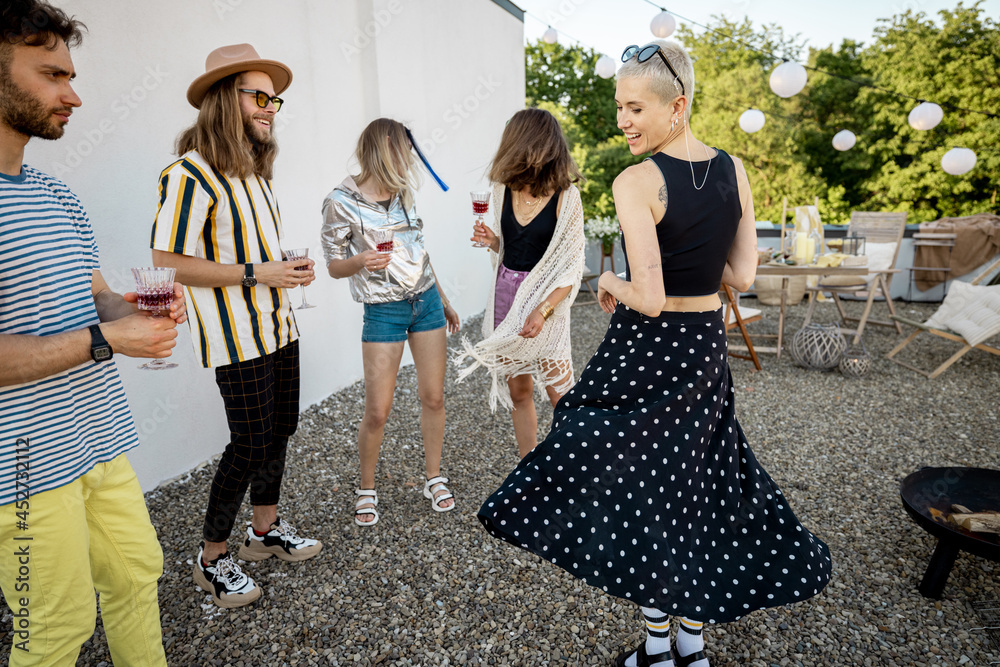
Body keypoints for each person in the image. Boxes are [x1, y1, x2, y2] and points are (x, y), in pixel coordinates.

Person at [478, 40, 832, 667]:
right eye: (620, 106)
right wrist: (699, 256)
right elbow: (743, 274)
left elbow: (647, 296)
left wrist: (608, 283)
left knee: (636, 490)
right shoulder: (734, 169)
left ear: (679, 106)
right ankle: (689, 648)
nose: (623, 121)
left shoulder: (636, 181)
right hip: (703, 351)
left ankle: (660, 649)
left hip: (648, 352)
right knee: (695, 488)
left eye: (635, 107)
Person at [0, 1, 184, 663]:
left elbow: (96, 295)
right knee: (54, 626)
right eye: (52, 75)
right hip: (19, 466)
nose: (72, 95)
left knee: (138, 574)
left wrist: (133, 309)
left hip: (97, 436)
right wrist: (109, 340)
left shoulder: (56, 194)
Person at [151, 43, 322, 609]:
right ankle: (211, 558)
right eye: (260, 95)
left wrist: (285, 273)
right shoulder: (189, 173)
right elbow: (168, 261)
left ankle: (264, 532)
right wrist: (259, 272)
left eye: (276, 98)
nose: (271, 106)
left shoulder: (254, 173)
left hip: (279, 326)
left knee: (280, 430)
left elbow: (257, 258)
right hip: (236, 336)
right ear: (227, 98)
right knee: (249, 443)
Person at [321, 118, 460, 527]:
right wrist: (361, 260)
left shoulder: (402, 194)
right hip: (383, 310)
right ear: (384, 146)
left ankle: (433, 477)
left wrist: (445, 300)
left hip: (427, 303)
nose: (409, 159)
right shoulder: (339, 200)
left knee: (433, 397)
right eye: (404, 150)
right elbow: (332, 265)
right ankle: (367, 487)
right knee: (378, 410)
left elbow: (421, 250)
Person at [455, 107, 585, 458]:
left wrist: (543, 311)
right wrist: (492, 241)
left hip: (548, 302)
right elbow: (509, 249)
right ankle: (530, 466)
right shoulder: (501, 189)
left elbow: (571, 268)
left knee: (561, 394)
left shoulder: (567, 197)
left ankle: (571, 466)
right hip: (506, 297)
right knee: (519, 391)